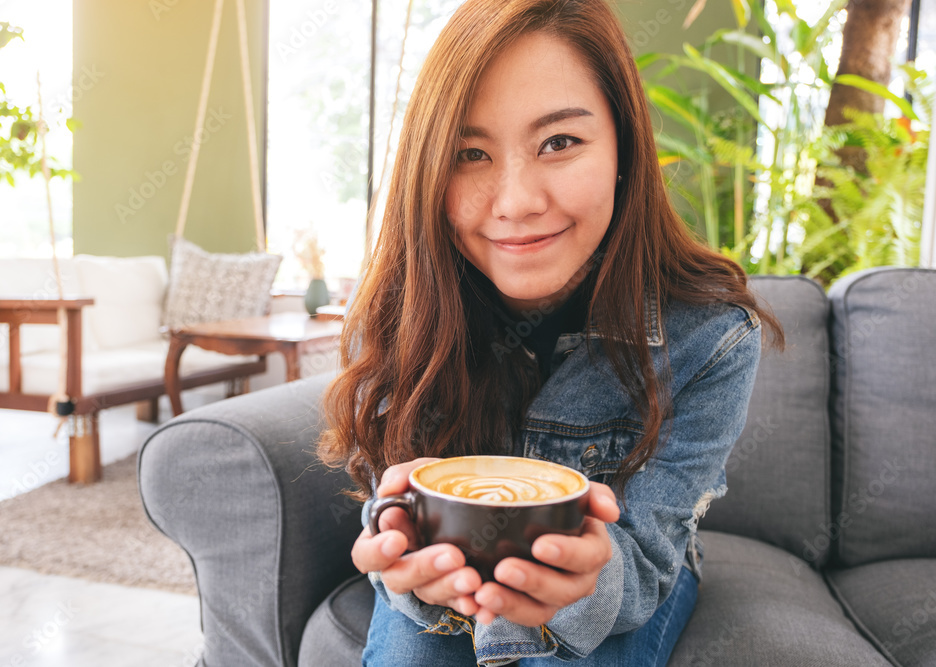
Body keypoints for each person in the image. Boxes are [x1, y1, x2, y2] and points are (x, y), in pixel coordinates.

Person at [317, 0, 783, 664]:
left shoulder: (711, 335)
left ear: (623, 145)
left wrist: (577, 582)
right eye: (470, 153)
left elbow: (648, 557)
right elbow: (388, 502)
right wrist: (398, 547)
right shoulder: (402, 309)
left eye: (560, 142)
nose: (516, 201)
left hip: (621, 578)